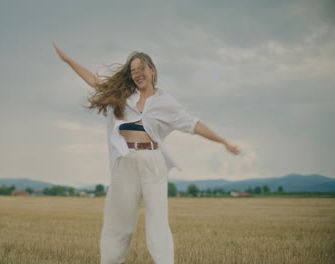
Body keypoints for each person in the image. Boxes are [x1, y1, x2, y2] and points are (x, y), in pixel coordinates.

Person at [53, 42, 240, 264]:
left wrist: (223, 142)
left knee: (158, 223)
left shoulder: (165, 102)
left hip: (153, 162)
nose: (137, 74)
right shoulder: (123, 96)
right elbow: (96, 81)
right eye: (133, 71)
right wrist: (69, 61)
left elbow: (194, 124)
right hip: (125, 162)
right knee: (118, 223)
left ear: (151, 70)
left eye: (141, 69)